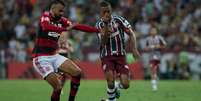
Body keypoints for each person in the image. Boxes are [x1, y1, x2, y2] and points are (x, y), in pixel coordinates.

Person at [32, 0, 99, 101]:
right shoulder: (45, 16)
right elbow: (46, 27)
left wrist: (97, 31)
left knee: (77, 72)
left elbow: (76, 26)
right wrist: (64, 29)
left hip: (54, 56)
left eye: (63, 11)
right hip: (41, 58)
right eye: (60, 11)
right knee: (58, 87)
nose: (62, 13)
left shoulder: (62, 20)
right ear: (53, 9)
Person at [96, 1, 140, 101]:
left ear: (111, 11)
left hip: (120, 56)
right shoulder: (99, 25)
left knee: (126, 84)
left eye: (108, 11)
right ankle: (112, 99)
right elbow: (103, 43)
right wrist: (106, 29)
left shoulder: (118, 20)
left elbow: (131, 33)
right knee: (110, 80)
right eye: (104, 12)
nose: (107, 13)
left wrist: (134, 49)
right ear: (100, 13)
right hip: (107, 56)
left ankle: (116, 87)